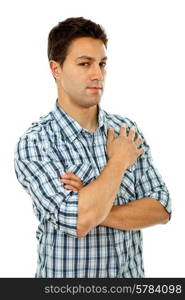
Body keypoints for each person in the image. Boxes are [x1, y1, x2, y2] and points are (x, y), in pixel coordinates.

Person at [14, 17, 171, 278]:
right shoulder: (36, 143)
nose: (97, 74)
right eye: (84, 64)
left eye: (102, 64)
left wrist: (90, 201)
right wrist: (119, 161)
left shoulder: (125, 132)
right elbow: (79, 221)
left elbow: (162, 208)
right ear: (56, 69)